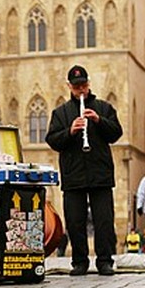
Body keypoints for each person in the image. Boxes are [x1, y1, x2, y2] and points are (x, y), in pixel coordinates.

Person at [45, 65, 123, 276]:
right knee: (75, 221)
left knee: (104, 220)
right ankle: (79, 262)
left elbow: (116, 133)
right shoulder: (60, 113)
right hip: (73, 175)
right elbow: (52, 140)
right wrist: (70, 131)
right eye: (77, 86)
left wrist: (99, 120)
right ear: (70, 86)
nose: (81, 89)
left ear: (89, 84)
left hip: (100, 174)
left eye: (84, 85)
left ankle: (105, 261)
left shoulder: (103, 108)